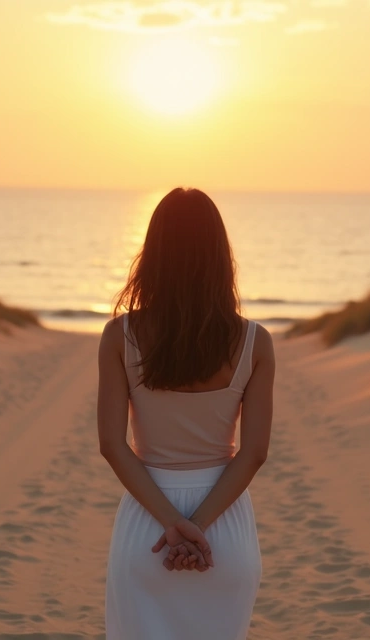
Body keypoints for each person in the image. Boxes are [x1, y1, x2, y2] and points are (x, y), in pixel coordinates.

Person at [97, 187, 275, 639]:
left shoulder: (120, 335)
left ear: (153, 253)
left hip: (148, 528)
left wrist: (172, 526)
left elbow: (112, 446)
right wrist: (196, 528)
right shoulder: (255, 342)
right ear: (220, 256)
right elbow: (253, 452)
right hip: (223, 532)